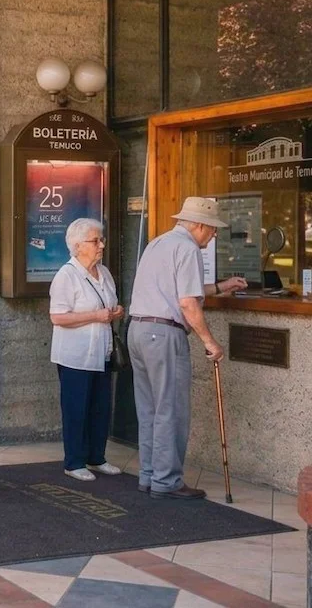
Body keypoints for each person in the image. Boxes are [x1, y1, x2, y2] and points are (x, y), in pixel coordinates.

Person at [128, 197, 247, 500]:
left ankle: (150, 475)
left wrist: (222, 286)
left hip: (139, 330)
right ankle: (167, 481)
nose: (214, 235)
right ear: (198, 225)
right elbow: (187, 302)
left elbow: (180, 290)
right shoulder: (188, 248)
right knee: (171, 409)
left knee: (149, 409)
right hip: (165, 335)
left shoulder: (159, 243)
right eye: (212, 229)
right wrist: (210, 341)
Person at [49, 218, 124, 482]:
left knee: (100, 407)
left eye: (101, 239)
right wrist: (96, 316)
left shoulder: (104, 273)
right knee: (76, 408)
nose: (101, 244)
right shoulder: (66, 276)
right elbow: (57, 317)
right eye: (96, 241)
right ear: (78, 246)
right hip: (75, 355)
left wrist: (116, 312)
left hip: (101, 352)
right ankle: (74, 461)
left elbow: (110, 305)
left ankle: (97, 457)